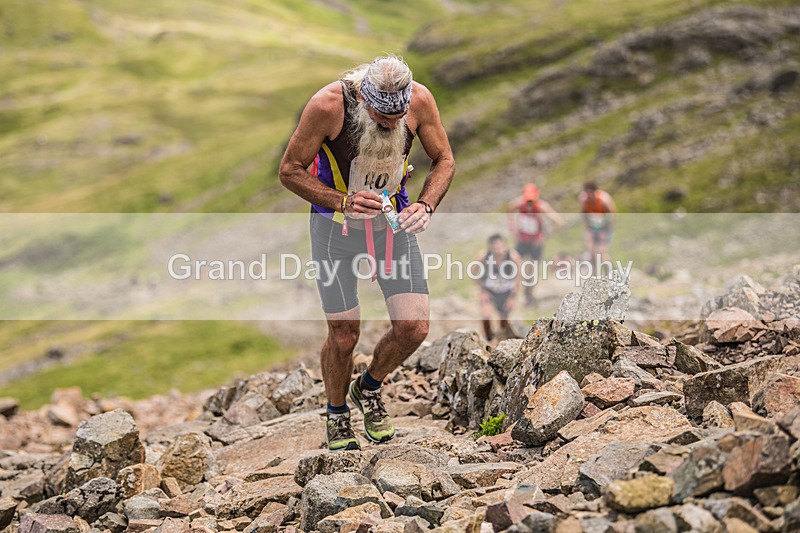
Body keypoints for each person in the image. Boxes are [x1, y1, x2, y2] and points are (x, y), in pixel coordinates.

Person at [279, 55, 455, 451]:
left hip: (390, 223)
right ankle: (337, 412)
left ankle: (369, 387)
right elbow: (289, 169)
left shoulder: (421, 101)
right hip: (333, 227)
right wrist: (342, 201)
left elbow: (444, 159)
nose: (392, 126)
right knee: (344, 335)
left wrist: (425, 205)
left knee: (415, 328)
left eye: (398, 118)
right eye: (381, 118)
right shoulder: (327, 106)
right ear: (363, 96)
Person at [506, 183, 562, 305]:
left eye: (532, 201)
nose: (529, 204)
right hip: (522, 240)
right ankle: (510, 293)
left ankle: (529, 295)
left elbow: (557, 221)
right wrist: (512, 228)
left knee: (532, 270)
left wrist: (544, 236)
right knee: (514, 265)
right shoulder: (519, 203)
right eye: (528, 201)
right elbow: (509, 208)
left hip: (535, 243)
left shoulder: (541, 206)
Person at [476, 234, 522, 345]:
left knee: (504, 321)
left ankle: (501, 342)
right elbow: (474, 273)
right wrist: (483, 291)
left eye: (500, 246)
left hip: (506, 292)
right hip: (490, 290)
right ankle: (488, 340)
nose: (498, 249)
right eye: (495, 246)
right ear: (490, 247)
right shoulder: (484, 256)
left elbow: (519, 277)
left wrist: (513, 297)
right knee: (486, 316)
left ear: (505, 246)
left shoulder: (512, 256)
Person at [579, 181, 616, 263]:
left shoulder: (603, 200)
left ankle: (611, 271)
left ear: (594, 192)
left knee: (602, 251)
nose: (588, 195)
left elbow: (612, 215)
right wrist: (588, 229)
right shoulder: (584, 200)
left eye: (590, 193)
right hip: (593, 227)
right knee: (591, 250)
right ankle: (594, 273)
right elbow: (584, 215)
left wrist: (605, 231)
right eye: (586, 193)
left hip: (605, 227)